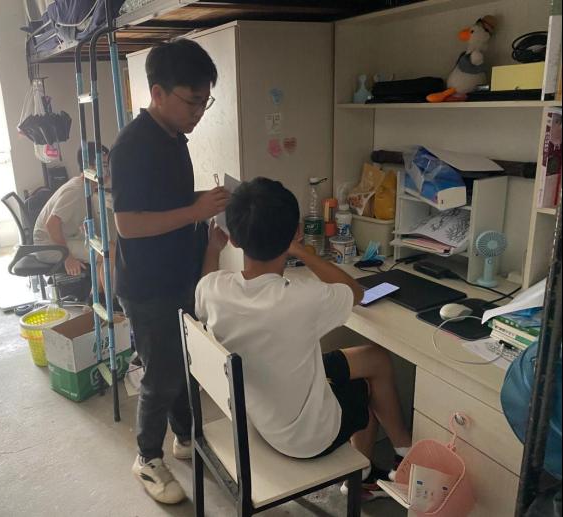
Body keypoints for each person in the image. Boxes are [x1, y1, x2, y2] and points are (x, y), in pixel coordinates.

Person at [195, 177, 413, 501]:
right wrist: (304, 252)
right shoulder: (302, 299)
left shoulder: (213, 289)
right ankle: (364, 479)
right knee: (363, 390)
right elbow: (355, 293)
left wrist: (213, 248)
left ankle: (405, 455)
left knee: (375, 358)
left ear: (235, 240)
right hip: (306, 438)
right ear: (296, 232)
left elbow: (207, 280)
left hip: (259, 411)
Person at [109, 38, 229, 504]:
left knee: (184, 363)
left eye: (204, 102)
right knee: (161, 374)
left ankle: (185, 436)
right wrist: (195, 210)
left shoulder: (174, 137)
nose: (199, 112)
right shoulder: (132, 146)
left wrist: (206, 205)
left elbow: (168, 203)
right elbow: (129, 224)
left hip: (180, 273)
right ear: (157, 93)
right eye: (192, 101)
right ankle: (146, 457)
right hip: (148, 284)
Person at [33, 143, 110, 292]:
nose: (108, 170)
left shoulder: (85, 186)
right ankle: (104, 298)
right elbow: (51, 224)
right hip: (48, 245)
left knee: (107, 246)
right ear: (90, 167)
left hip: (58, 239)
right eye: (104, 165)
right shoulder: (76, 190)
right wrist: (67, 257)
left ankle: (96, 297)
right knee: (108, 253)